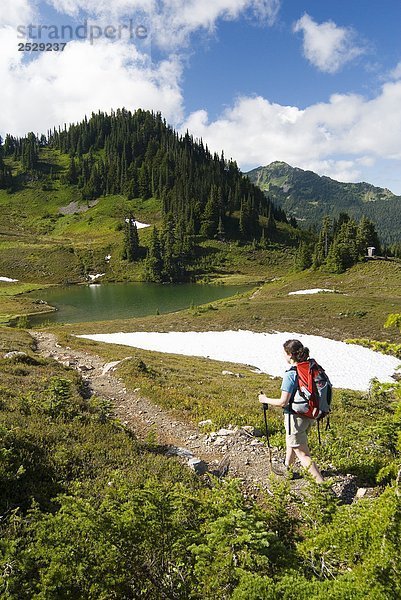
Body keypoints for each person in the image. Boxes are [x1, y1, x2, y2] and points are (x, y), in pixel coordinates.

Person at [258, 339, 324, 483]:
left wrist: (265, 399)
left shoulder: (291, 374)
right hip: (309, 413)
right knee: (292, 441)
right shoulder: (309, 367)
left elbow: (283, 402)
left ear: (290, 355)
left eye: (284, 353)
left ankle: (323, 488)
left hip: (295, 417)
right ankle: (287, 468)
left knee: (302, 453)